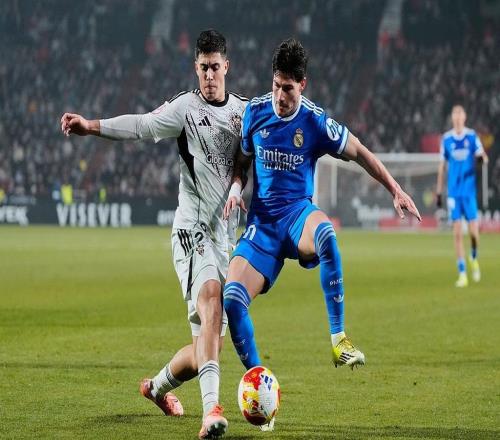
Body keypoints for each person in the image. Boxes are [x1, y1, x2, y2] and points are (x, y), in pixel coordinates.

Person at [222, 39, 421, 429]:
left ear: (303, 85)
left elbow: (359, 151)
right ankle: (261, 386)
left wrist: (395, 189)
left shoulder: (314, 121)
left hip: (298, 216)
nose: (280, 96)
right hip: (262, 227)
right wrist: (234, 188)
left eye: (288, 88)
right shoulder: (255, 113)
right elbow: (241, 161)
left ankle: (339, 339)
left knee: (327, 234)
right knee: (232, 300)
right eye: (276, 85)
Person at [60, 29, 248, 439]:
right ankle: (212, 411)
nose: (209, 75)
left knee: (205, 350)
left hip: (224, 239)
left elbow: (242, 164)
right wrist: (90, 126)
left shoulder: (243, 112)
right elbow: (141, 126)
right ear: (195, 67)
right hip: (192, 231)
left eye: (215, 67)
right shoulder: (185, 108)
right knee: (212, 299)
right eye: (203, 68)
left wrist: (237, 186)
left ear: (227, 66)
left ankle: (156, 388)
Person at [436, 104, 489, 288]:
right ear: (452, 117)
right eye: (455, 114)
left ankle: (473, 256)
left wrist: (481, 159)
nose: (458, 117)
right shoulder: (446, 139)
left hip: (469, 193)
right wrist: (439, 192)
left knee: (474, 234)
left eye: (460, 113)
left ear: (464, 117)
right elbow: (442, 167)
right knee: (457, 233)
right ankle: (462, 273)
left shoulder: (472, 136)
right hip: (453, 194)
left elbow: (483, 157)